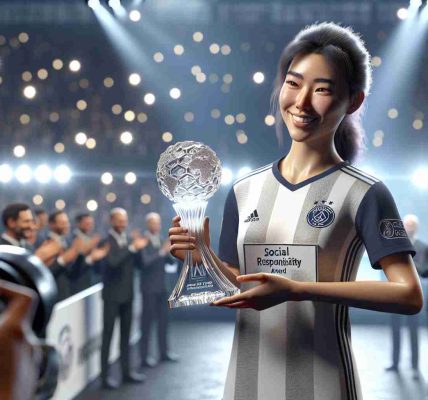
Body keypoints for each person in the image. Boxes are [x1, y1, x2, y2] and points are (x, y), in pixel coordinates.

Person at [169, 22, 423, 400]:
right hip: (244, 384)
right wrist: (202, 259)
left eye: (322, 89)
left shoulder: (365, 192)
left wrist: (298, 290)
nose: (302, 102)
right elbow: (241, 281)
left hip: (325, 384)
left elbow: (409, 295)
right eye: (293, 83)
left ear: (353, 101)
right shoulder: (243, 190)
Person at [100, 207, 148, 390]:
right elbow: (112, 262)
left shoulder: (129, 241)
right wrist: (131, 248)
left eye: (125, 220)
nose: (123, 223)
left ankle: (126, 373)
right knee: (108, 337)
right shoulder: (105, 241)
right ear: (111, 221)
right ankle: (105, 377)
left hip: (128, 295)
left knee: (126, 337)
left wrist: (138, 249)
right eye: (119, 220)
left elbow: (140, 265)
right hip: (111, 296)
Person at [386, 214, 428, 379]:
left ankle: (414, 366)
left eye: (411, 225)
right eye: (406, 225)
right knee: (395, 331)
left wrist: (409, 260)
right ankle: (395, 364)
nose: (409, 228)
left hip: (415, 296)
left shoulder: (423, 247)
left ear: (415, 228)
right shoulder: (395, 245)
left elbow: (425, 272)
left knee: (413, 332)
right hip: (396, 296)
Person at [139, 212, 177, 368]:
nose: (157, 225)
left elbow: (170, 261)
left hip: (162, 287)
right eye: (154, 223)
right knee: (147, 324)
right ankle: (144, 356)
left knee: (164, 322)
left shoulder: (161, 240)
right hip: (148, 288)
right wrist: (161, 251)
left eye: (158, 223)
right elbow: (145, 262)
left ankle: (164, 353)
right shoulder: (142, 241)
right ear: (148, 224)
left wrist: (170, 250)